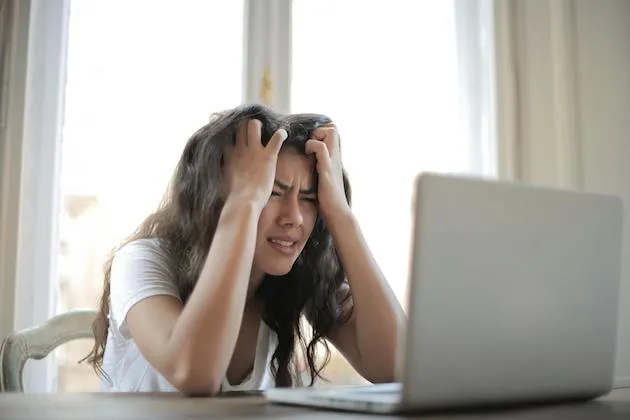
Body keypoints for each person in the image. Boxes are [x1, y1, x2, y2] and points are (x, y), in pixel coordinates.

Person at [82, 104, 406, 395]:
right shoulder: (141, 260)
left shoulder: (297, 276)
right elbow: (193, 373)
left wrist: (341, 215)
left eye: (309, 199)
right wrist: (244, 203)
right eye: (272, 192)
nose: (293, 217)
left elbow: (397, 368)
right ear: (217, 197)